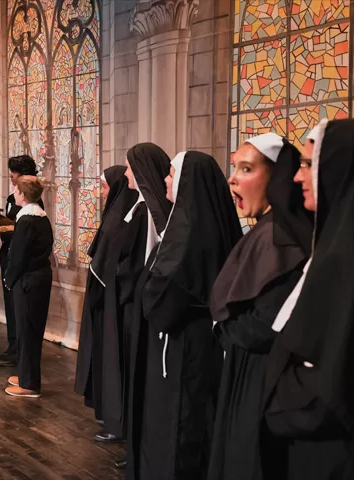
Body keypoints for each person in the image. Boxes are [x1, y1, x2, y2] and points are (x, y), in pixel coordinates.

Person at [207, 133, 312, 480]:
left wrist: (225, 326)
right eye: (234, 168)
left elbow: (267, 323)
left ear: (277, 177)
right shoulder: (266, 228)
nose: (233, 179)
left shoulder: (280, 236)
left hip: (262, 379)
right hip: (247, 370)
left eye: (246, 169)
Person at [132, 151, 242, 480]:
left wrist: (147, 293)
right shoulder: (199, 224)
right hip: (196, 341)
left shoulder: (189, 232)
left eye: (171, 174)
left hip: (183, 344)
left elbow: (163, 293)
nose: (165, 179)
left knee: (180, 424)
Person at [263, 119, 354, 479]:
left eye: (307, 164)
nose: (297, 177)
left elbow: (333, 379)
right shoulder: (331, 245)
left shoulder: (344, 256)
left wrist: (279, 399)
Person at [119, 143, 172, 473]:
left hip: (142, 304)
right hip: (137, 299)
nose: (126, 173)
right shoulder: (141, 206)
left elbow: (141, 261)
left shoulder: (149, 211)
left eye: (129, 167)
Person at [74, 166, 137, 441]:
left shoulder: (122, 219)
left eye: (103, 186)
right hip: (105, 303)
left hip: (113, 306)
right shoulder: (116, 214)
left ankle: (115, 421)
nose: (100, 193)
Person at [3, 175, 53, 398]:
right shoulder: (39, 216)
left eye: (16, 190)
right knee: (29, 330)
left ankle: (29, 384)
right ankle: (26, 375)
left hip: (29, 281)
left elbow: (18, 256)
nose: (14, 193)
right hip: (38, 278)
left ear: (22, 195)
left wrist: (9, 279)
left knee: (27, 331)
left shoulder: (27, 220)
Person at [0, 155, 43, 367]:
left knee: (20, 309)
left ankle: (20, 352)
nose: (11, 176)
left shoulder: (32, 207)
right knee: (11, 305)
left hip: (20, 264)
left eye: (13, 172)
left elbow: (21, 236)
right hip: (9, 256)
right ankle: (13, 345)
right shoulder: (12, 199)